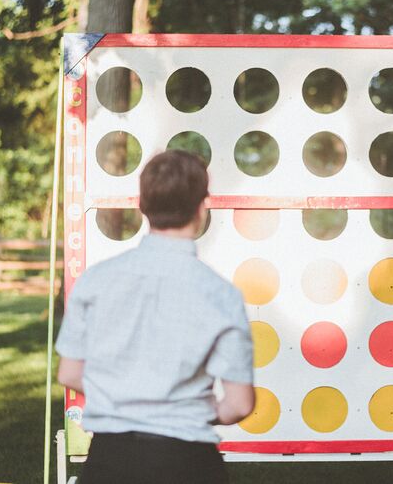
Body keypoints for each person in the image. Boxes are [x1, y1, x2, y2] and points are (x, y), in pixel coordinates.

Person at [56, 150, 255, 484]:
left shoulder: (95, 281)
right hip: (189, 462)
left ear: (143, 205)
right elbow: (239, 404)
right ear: (201, 208)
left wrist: (125, 392)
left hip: (109, 460)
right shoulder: (221, 294)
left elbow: (70, 373)